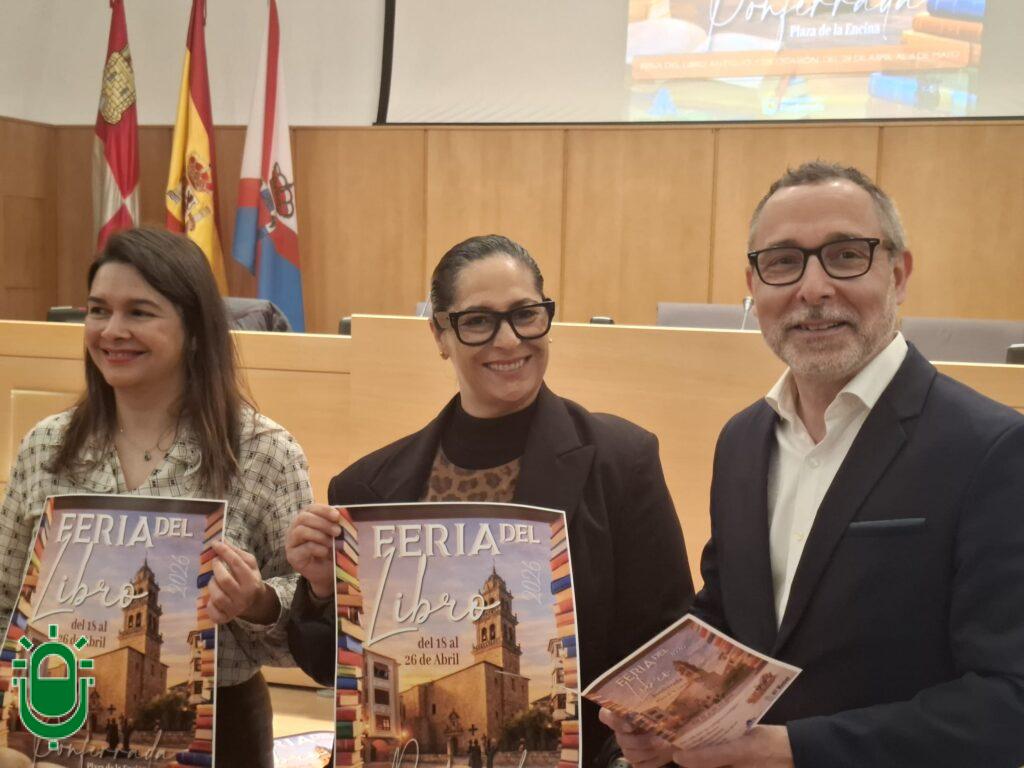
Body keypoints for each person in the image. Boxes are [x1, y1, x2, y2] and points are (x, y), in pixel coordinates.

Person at [602, 161, 1024, 767]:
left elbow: (1009, 702)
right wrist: (662, 711)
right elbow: (727, 613)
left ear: (898, 274)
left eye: (846, 255)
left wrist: (792, 750)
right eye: (783, 262)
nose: (813, 288)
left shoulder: (993, 449)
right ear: (753, 284)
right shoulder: (742, 440)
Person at [284, 234, 694, 768]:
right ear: (439, 334)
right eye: (478, 321)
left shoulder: (622, 461)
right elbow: (333, 671)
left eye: (525, 314)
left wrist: (630, 749)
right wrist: (322, 588)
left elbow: (664, 645)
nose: (508, 340)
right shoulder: (367, 489)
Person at [0, 228, 312, 768]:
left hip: (220, 736)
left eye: (139, 313)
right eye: (98, 310)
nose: (112, 331)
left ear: (194, 331)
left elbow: (310, 621)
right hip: (56, 732)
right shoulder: (46, 446)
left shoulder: (265, 452)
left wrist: (256, 601)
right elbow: (6, 598)